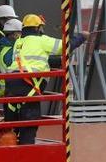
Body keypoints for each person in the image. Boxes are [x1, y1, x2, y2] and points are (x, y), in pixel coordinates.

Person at [7, 14, 87, 145]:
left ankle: (13, 146)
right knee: (30, 121)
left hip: (12, 83)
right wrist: (81, 37)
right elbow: (66, 45)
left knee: (15, 121)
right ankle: (26, 155)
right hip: (29, 85)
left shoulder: (18, 42)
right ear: (38, 28)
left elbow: (33, 59)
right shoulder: (41, 40)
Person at [0, 18, 23, 128]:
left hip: (4, 88)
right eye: (21, 33)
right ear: (15, 34)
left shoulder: (2, 47)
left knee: (9, 117)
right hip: (11, 89)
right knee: (13, 120)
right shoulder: (11, 51)